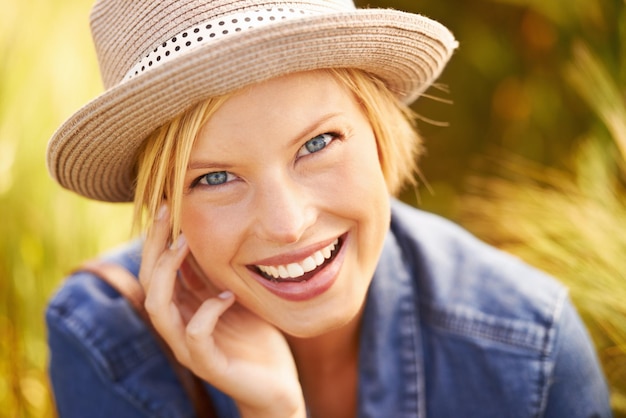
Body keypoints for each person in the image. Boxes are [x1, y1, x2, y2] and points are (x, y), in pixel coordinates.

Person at [45, 0, 612, 417]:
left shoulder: (529, 349)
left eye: (317, 144)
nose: (288, 224)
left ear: (379, 129)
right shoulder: (103, 339)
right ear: (164, 205)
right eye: (215, 178)